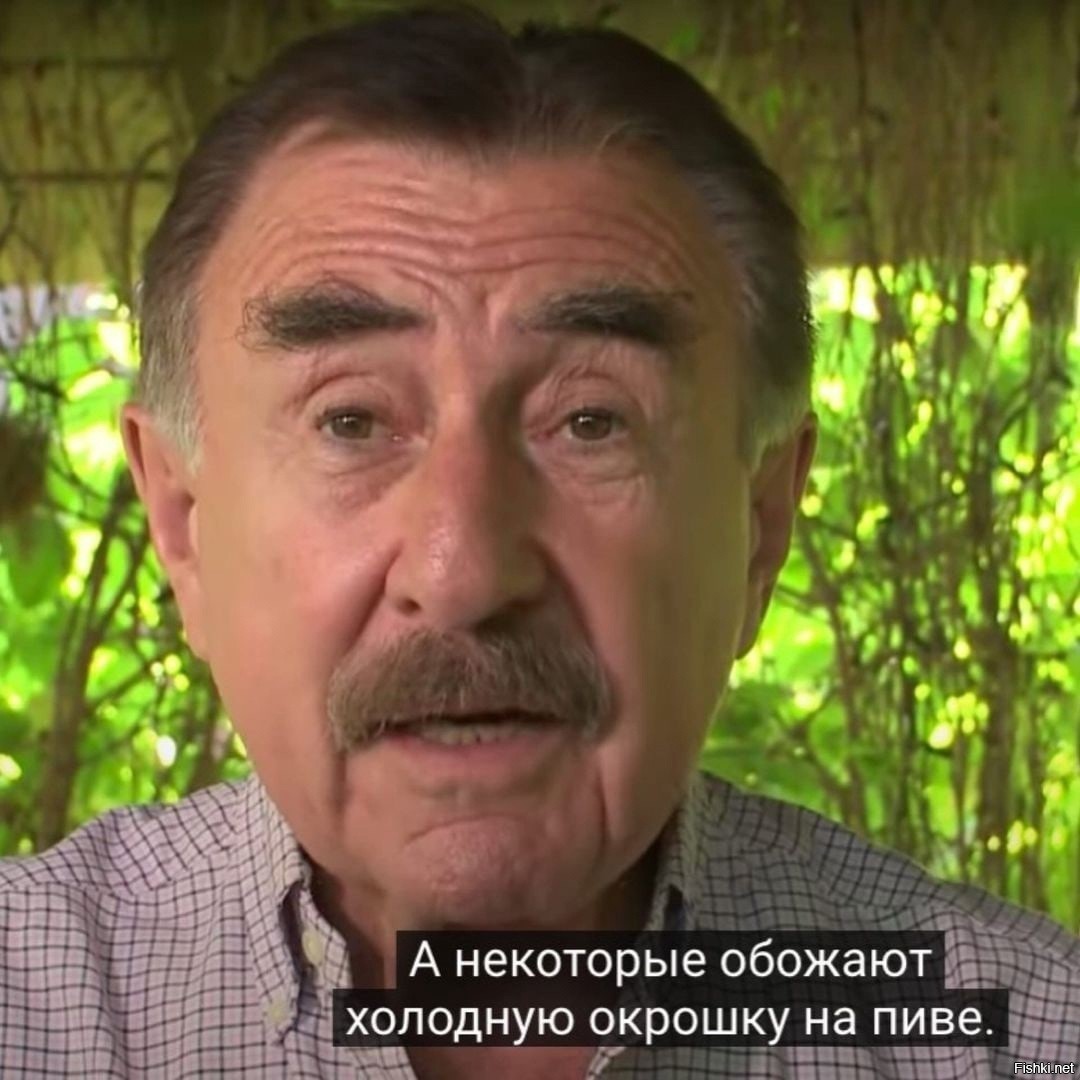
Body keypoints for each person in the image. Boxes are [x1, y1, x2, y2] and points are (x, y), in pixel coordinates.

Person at [1, 5, 1076, 1077]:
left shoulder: (1017, 1039)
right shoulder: (34, 1010)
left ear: (760, 527)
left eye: (592, 421)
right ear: (182, 526)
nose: (463, 573)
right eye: (351, 420)